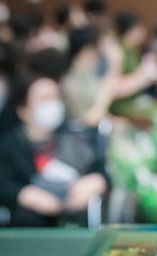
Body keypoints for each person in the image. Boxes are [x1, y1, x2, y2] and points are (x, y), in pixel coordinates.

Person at [0, 74, 107, 226]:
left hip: (78, 221)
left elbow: (100, 170)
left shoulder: (75, 137)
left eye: (56, 97)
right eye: (44, 99)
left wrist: (97, 181)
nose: (52, 104)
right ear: (23, 110)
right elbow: (4, 183)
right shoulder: (10, 145)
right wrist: (23, 194)